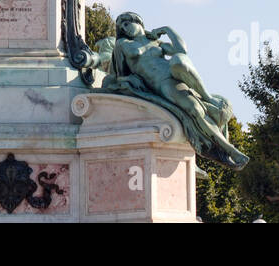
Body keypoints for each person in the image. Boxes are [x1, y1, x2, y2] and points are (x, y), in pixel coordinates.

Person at [106, 12, 248, 168]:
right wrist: (128, 81)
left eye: (127, 23)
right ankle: (231, 150)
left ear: (138, 22)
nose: (125, 28)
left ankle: (207, 97)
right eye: (122, 27)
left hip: (177, 75)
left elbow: (182, 50)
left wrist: (167, 29)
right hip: (162, 83)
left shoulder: (156, 44)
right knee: (195, 110)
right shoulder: (122, 45)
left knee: (178, 60)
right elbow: (120, 75)